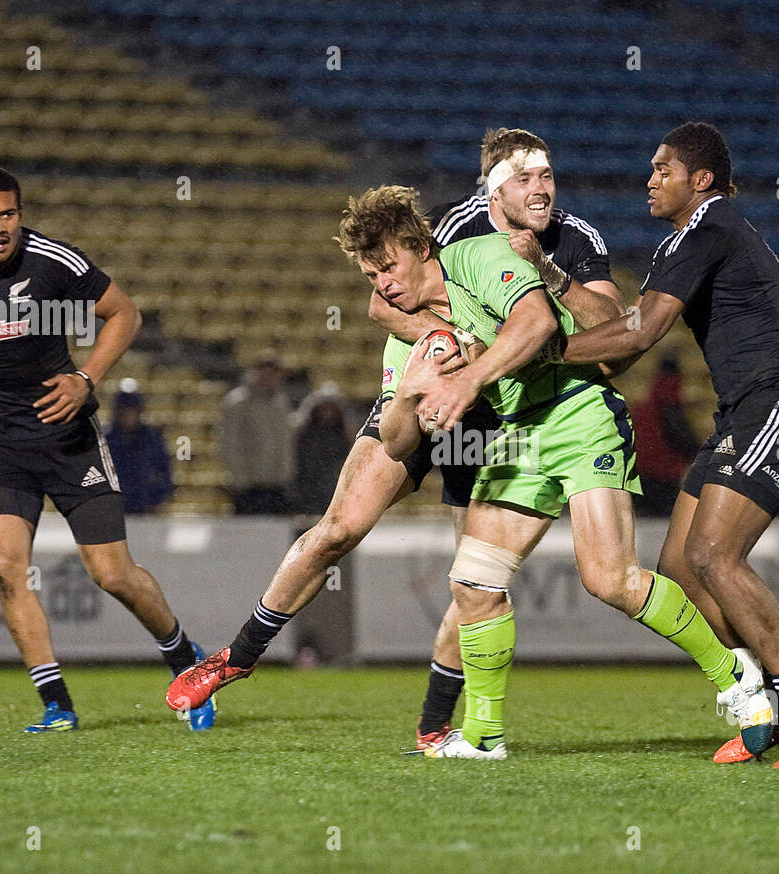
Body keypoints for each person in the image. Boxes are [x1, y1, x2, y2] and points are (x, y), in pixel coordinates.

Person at [166, 130, 628, 755]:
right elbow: (383, 309)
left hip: (498, 416)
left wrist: (488, 353)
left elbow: (611, 330)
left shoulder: (575, 240)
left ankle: (435, 724)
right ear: (493, 186)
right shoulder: (452, 229)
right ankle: (236, 657)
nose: (539, 189)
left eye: (545, 176)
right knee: (338, 528)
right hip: (425, 383)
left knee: (475, 580)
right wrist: (438, 351)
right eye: (523, 179)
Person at [366, 184, 773, 760]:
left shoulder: (479, 256)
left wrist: (467, 379)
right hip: (518, 435)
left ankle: (738, 677)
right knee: (473, 584)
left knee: (610, 579)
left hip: (576, 409)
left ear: (419, 246)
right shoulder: (405, 335)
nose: (382, 286)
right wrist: (408, 397)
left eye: (387, 267)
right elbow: (395, 441)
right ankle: (483, 738)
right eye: (370, 276)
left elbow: (535, 325)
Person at [0, 166, 213, 731]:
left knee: (112, 575)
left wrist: (86, 378)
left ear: (20, 216)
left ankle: (189, 666)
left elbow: (124, 313)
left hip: (68, 440)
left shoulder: (54, 261)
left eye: (8, 214)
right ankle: (58, 705)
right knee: (6, 567)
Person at [556, 122, 779, 767]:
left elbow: (639, 335)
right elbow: (622, 340)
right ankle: (766, 706)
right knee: (682, 567)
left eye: (662, 169)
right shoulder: (683, 241)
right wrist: (552, 284)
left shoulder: (712, 226)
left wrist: (538, 355)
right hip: (743, 410)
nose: (649, 179)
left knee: (715, 555)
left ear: (700, 180)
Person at [219, 350, 295, 515]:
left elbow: (284, 443)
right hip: (248, 487)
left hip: (277, 486)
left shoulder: (281, 403)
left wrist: (285, 475)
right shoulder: (237, 403)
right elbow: (230, 444)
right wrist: (241, 480)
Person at [631, 354, 701, 517]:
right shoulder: (668, 400)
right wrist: (698, 452)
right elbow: (678, 435)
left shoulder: (644, 404)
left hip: (640, 476)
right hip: (663, 478)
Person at [104, 381, 174, 514]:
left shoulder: (151, 438)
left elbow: (164, 471)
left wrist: (156, 499)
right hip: (113, 510)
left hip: (145, 508)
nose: (128, 417)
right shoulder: (106, 439)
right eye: (124, 411)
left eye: (132, 411)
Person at [288, 381, 351, 515]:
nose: (327, 412)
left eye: (331, 408)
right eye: (324, 407)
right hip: (308, 487)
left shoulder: (343, 435)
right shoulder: (305, 435)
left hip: (333, 486)